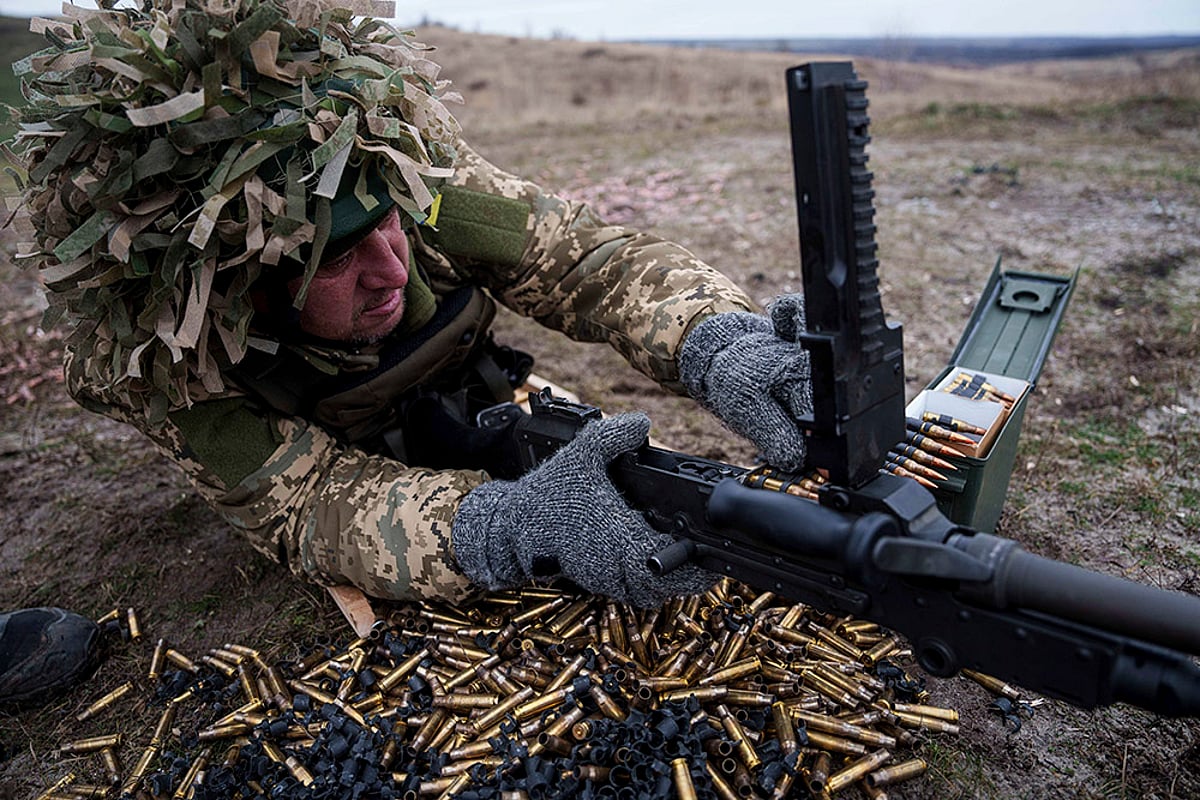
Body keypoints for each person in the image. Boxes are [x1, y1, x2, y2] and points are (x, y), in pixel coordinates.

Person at [0, 0, 812, 705]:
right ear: (243, 291)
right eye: (337, 258)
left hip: (468, 398)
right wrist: (505, 524)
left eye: (386, 226)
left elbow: (590, 263)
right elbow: (307, 507)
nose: (391, 267)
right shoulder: (178, 362)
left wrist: (717, 341)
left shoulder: (415, 193)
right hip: (325, 443)